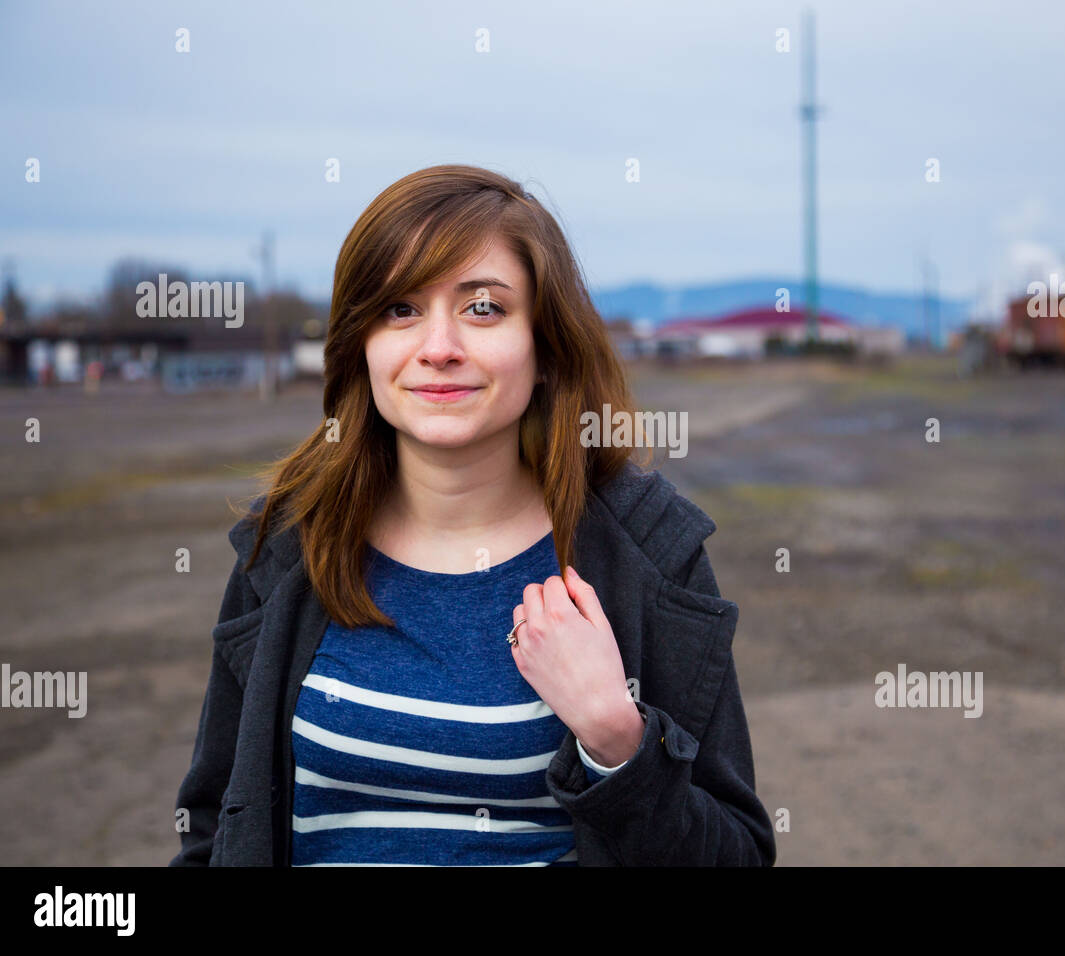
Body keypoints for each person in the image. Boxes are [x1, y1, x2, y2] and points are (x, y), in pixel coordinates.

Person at [170, 164, 776, 866]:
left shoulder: (648, 557)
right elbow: (215, 829)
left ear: (547, 347)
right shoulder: (287, 549)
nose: (438, 348)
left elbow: (739, 856)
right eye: (400, 308)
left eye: (483, 308)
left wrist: (618, 741)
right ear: (360, 344)